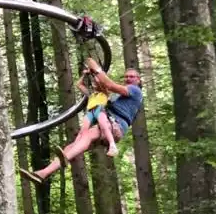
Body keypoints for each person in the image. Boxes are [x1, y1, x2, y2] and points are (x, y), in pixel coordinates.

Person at [20, 57, 143, 185]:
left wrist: (97, 69)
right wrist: (92, 78)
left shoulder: (135, 90)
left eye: (132, 77)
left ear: (138, 80)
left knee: (87, 136)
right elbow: (101, 91)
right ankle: (44, 173)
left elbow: (109, 85)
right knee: (72, 146)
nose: (128, 79)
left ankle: (107, 147)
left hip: (115, 124)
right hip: (110, 123)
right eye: (127, 77)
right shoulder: (120, 96)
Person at [77, 66, 118, 158]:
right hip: (90, 112)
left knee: (104, 126)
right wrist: (84, 75)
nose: (94, 83)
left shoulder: (105, 92)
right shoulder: (91, 94)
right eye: (93, 83)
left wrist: (92, 72)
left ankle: (112, 145)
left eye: (95, 82)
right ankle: (74, 148)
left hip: (100, 109)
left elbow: (99, 82)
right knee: (82, 131)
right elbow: (79, 85)